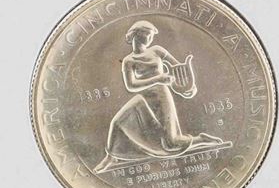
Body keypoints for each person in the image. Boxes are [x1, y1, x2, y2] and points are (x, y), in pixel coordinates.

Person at [93, 20, 225, 172]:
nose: (150, 39)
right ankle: (110, 157)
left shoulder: (157, 50)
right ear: (136, 34)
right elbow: (131, 86)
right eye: (147, 35)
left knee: (172, 142)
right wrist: (158, 78)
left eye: (151, 36)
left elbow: (178, 69)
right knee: (117, 122)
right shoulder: (128, 61)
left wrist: (187, 87)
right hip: (143, 98)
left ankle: (201, 139)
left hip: (161, 97)